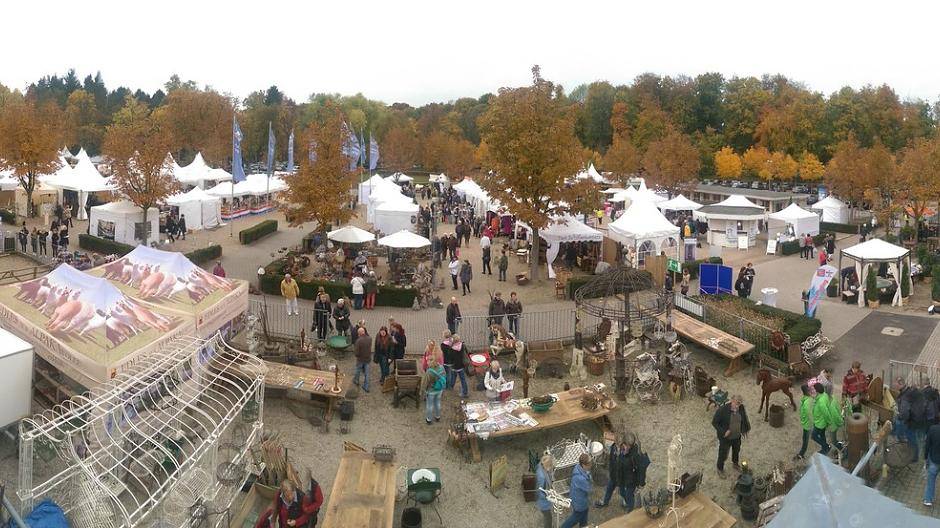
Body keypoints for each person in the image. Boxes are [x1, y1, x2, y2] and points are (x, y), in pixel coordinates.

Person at [595, 432, 645, 511]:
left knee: (624, 493)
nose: (618, 448)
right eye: (617, 445)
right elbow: (612, 461)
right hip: (615, 475)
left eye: (620, 445)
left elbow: (638, 469)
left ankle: (629, 506)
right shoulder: (614, 448)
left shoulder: (630, 455)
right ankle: (605, 502)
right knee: (610, 488)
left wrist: (640, 483)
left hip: (624, 479)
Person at [712, 395, 751, 479]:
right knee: (723, 454)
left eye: (739, 404)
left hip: (736, 436)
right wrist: (724, 431)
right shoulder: (722, 410)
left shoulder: (741, 408)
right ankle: (720, 468)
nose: (737, 406)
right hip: (726, 438)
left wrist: (744, 429)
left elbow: (743, 417)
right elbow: (714, 422)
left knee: (736, 450)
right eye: (736, 403)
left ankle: (735, 464)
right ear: (731, 401)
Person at [560, 454, 593, 528]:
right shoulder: (581, 479)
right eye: (589, 463)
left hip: (577, 498)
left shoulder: (577, 467)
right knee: (575, 518)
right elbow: (589, 488)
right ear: (583, 465)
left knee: (584, 514)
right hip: (580, 502)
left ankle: (583, 526)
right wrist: (589, 476)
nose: (591, 465)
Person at [794, 384, 815, 461]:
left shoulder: (805, 400)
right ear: (808, 391)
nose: (811, 390)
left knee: (805, 440)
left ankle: (801, 454)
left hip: (807, 424)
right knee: (805, 438)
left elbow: (810, 415)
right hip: (806, 423)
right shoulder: (807, 400)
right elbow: (810, 414)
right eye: (810, 389)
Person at [423, 355, 446, 424]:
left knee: (430, 405)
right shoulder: (442, 367)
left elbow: (425, 383)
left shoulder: (429, 371)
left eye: (428, 360)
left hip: (431, 391)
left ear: (431, 362)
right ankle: (437, 416)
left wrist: (423, 390)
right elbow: (444, 376)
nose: (427, 362)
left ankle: (429, 419)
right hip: (439, 389)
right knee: (437, 403)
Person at [812, 382, 832, 455]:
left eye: (814, 389)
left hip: (820, 423)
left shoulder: (821, 401)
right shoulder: (824, 395)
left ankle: (826, 446)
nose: (813, 390)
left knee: (814, 436)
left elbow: (826, 413)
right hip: (821, 421)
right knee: (822, 435)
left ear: (817, 390)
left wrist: (829, 422)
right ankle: (825, 449)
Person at [535, 454, 555, 528]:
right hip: (543, 502)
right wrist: (550, 496)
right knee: (548, 517)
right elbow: (541, 491)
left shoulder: (540, 466)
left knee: (547, 516)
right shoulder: (542, 477)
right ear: (548, 466)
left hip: (542, 500)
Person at [924, 419, 940, 506]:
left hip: (934, 460)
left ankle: (928, 500)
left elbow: (927, 445)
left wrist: (925, 457)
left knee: (931, 480)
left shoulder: (933, 429)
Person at [353, 327, 372, 392]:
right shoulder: (370, 339)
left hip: (360, 359)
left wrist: (357, 355)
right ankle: (366, 386)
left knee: (358, 370)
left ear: (359, 333)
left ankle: (356, 381)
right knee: (367, 373)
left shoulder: (358, 341)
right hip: (367, 359)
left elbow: (356, 352)